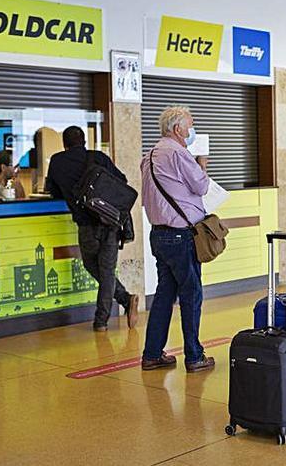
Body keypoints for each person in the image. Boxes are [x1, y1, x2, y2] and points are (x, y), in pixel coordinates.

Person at [140, 106, 214, 373]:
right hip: (181, 236)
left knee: (164, 295)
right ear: (177, 129)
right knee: (191, 293)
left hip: (158, 234)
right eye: (190, 125)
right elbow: (201, 186)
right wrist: (201, 165)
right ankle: (194, 356)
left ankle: (152, 353)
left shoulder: (149, 155)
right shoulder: (178, 153)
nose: (191, 129)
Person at [46, 126, 140, 332]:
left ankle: (102, 320)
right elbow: (121, 181)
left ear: (65, 143)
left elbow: (52, 191)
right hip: (109, 221)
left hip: (86, 224)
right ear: (84, 142)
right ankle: (124, 301)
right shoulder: (97, 157)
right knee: (106, 270)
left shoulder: (57, 162)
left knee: (92, 266)